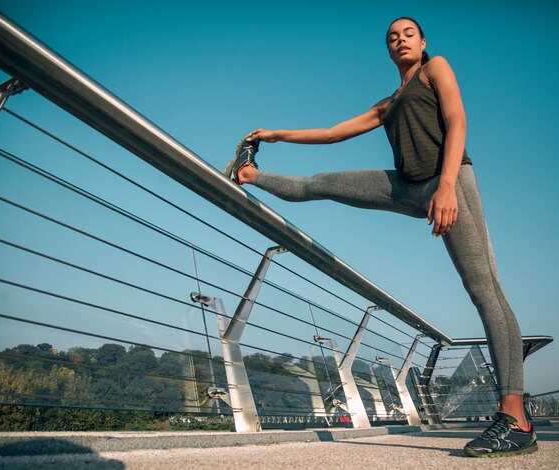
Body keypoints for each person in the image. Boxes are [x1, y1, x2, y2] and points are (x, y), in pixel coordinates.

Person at [224, 17, 536, 458]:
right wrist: (277, 134)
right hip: (407, 185)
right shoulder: (388, 102)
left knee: (484, 289)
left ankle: (516, 418)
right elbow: (332, 133)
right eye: (393, 37)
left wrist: (446, 187)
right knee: (321, 184)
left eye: (408, 34)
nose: (401, 40)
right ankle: (249, 173)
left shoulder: (436, 68)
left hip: (448, 183)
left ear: (423, 42)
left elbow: (458, 120)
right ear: (388, 51)